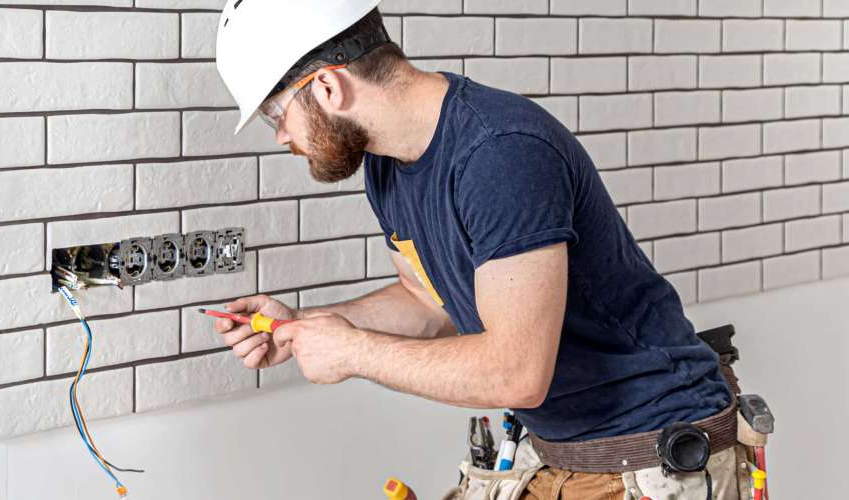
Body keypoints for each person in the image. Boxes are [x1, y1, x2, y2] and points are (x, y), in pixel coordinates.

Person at [213, 2, 744, 498]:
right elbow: (427, 300)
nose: (280, 135)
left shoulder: (499, 155)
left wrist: (351, 352)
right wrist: (306, 326)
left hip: (654, 453)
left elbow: (517, 373)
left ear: (327, 86)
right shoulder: (385, 163)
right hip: (564, 451)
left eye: (274, 112)